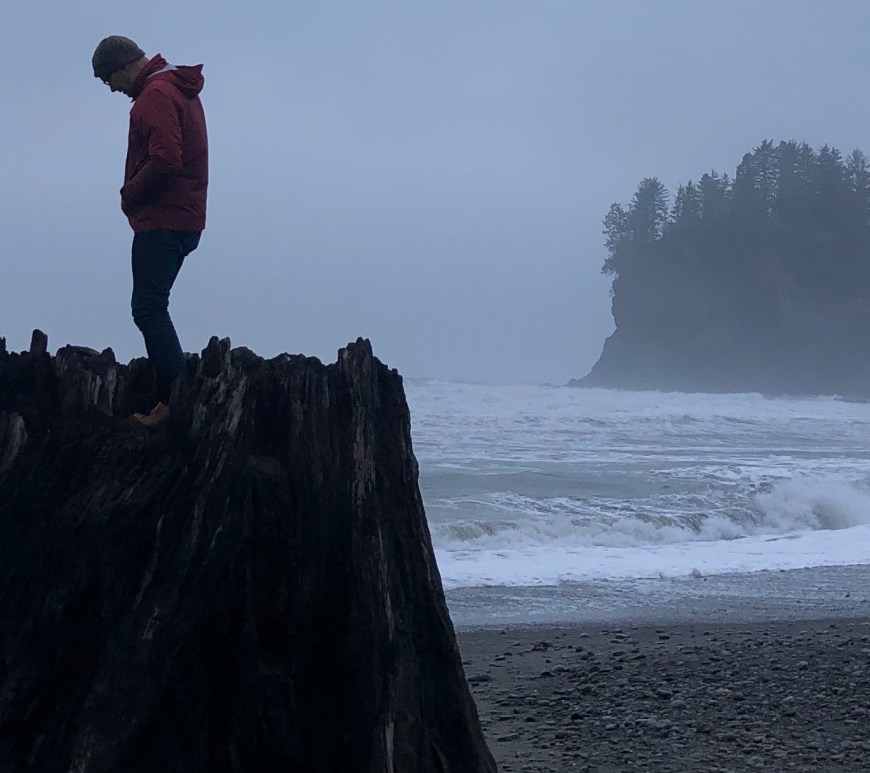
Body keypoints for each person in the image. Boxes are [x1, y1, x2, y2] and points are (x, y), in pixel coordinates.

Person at [92, 36, 208, 427]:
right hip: (183, 216)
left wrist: (129, 195)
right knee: (152, 305)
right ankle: (175, 393)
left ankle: (173, 399)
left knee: (148, 307)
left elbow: (165, 160)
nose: (110, 87)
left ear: (124, 66)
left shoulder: (155, 95)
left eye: (108, 78)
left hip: (164, 219)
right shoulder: (175, 86)